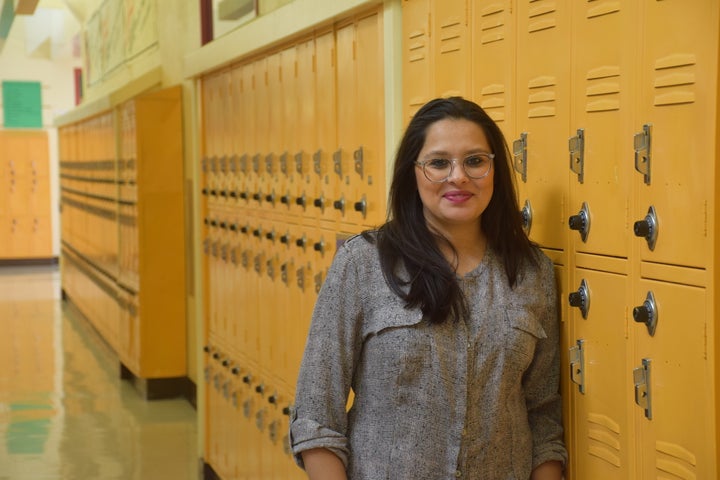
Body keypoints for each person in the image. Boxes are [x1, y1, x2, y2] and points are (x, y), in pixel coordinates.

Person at [289, 97, 567, 479]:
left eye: (475, 161)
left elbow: (544, 416)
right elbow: (317, 416)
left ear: (495, 170)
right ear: (412, 172)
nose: (459, 177)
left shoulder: (532, 272)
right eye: (438, 163)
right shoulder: (363, 263)